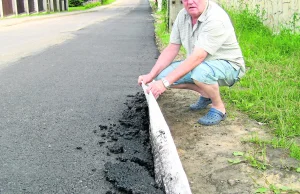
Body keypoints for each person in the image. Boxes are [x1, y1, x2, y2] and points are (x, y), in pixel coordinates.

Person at [138, 0, 245, 126]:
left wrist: (165, 83)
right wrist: (151, 75)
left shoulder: (216, 18)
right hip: (201, 65)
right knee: (160, 76)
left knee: (198, 74)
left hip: (229, 66)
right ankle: (206, 93)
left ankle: (218, 107)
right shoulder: (183, 15)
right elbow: (172, 47)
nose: (190, 2)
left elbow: (198, 57)